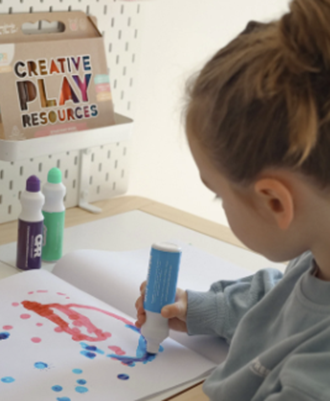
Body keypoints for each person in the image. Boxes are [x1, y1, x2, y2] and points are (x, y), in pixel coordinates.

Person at [135, 0, 330, 399]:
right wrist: (207, 309)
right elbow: (281, 303)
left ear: (275, 202)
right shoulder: (318, 256)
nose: (220, 202)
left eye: (217, 194)